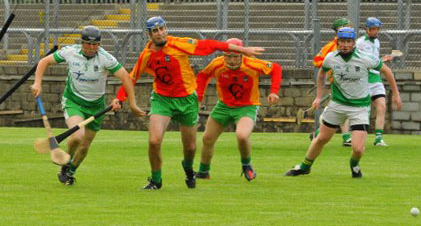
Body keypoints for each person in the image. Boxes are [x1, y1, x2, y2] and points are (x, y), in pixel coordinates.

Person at [113, 17, 264, 190]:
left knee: (191, 147)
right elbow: (132, 77)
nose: (160, 33)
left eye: (162, 29)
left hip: (186, 100)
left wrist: (242, 49)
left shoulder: (179, 44)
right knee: (154, 141)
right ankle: (156, 180)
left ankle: (188, 169)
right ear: (149, 35)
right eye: (155, 31)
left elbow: (210, 45)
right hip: (162, 100)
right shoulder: (146, 55)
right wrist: (120, 98)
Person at [31, 25, 145, 185]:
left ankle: (70, 171)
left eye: (95, 44)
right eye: (88, 44)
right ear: (82, 42)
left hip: (97, 106)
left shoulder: (105, 58)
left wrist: (130, 103)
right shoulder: (70, 52)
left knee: (84, 146)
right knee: (77, 135)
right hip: (74, 101)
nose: (92, 48)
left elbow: (125, 77)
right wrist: (37, 83)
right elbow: (44, 61)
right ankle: (66, 161)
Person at [285, 27, 402, 178]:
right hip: (337, 105)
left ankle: (354, 164)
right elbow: (321, 74)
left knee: (358, 149)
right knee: (321, 138)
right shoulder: (331, 58)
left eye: (348, 41)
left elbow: (387, 71)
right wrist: (318, 97)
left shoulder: (365, 58)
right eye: (342, 41)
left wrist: (396, 94)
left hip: (359, 107)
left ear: (354, 43)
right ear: (337, 42)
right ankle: (305, 166)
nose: (345, 45)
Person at [195, 38, 282, 181]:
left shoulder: (251, 64)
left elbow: (275, 68)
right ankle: (203, 172)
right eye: (228, 56)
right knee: (207, 138)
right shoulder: (217, 64)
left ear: (242, 55)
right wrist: (198, 98)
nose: (231, 60)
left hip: (247, 107)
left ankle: (246, 165)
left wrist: (274, 91)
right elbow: (203, 75)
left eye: (235, 56)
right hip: (223, 106)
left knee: (241, 135)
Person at [311, 18, 352, 147]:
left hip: (351, 81)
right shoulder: (330, 47)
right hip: (337, 81)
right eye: (345, 26)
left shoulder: (351, 44)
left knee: (343, 110)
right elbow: (317, 60)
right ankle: (346, 137)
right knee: (345, 109)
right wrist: (329, 66)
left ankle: (318, 132)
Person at [356, 17, 393, 146]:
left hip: (376, 78)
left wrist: (383, 59)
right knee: (361, 110)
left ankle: (378, 138)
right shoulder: (359, 42)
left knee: (381, 106)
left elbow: (375, 61)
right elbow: (358, 60)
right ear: (366, 29)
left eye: (377, 29)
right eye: (372, 29)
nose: (375, 31)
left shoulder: (377, 42)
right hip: (364, 79)